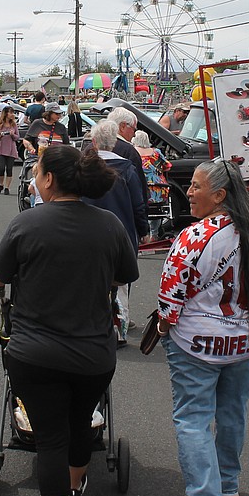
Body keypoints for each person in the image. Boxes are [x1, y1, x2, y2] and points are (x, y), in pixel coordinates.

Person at [0, 145, 140, 496]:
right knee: (78, 425)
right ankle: (74, 488)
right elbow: (127, 275)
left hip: (33, 354)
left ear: (49, 179)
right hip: (92, 355)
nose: (35, 176)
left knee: (51, 438)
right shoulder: (109, 225)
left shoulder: (27, 223)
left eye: (37, 171)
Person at [157, 159, 249, 496]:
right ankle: (227, 483)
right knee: (232, 412)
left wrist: (164, 324)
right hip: (244, 341)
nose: (189, 192)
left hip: (196, 343)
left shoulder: (195, 236)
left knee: (192, 419)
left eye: (195, 186)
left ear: (219, 195)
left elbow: (170, 295)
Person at [85, 121, 148, 346]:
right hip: (121, 231)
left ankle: (92, 325)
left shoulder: (84, 167)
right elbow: (138, 203)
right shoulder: (126, 168)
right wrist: (143, 229)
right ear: (113, 143)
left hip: (88, 231)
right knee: (119, 282)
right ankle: (119, 330)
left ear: (93, 142)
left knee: (90, 279)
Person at [106, 107, 149, 207]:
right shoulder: (129, 151)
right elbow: (138, 188)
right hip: (123, 210)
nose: (134, 134)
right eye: (133, 129)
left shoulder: (90, 148)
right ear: (122, 127)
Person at [132, 130, 171, 239]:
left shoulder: (133, 152)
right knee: (157, 209)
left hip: (142, 191)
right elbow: (168, 166)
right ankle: (154, 234)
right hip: (159, 191)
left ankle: (143, 235)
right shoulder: (156, 152)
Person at [0, 106, 20, 195]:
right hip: (1, 149)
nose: (12, 114)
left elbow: (18, 137)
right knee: (1, 168)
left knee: (9, 169)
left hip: (11, 149)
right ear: (5, 113)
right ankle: (1, 184)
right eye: (10, 112)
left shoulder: (13, 125)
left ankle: (7, 187)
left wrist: (13, 135)